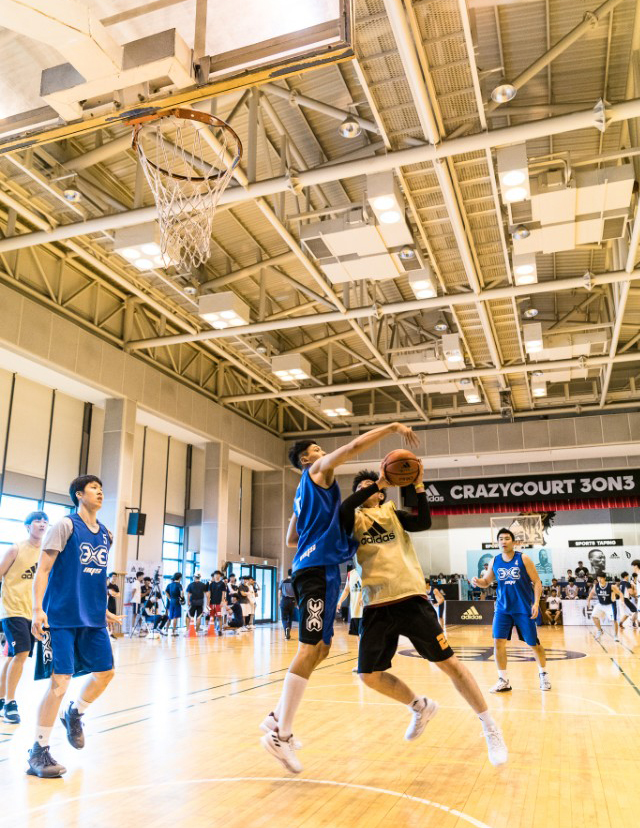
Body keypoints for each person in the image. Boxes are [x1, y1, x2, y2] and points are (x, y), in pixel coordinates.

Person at [260, 421, 419, 773]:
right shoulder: (317, 471)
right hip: (316, 570)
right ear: (306, 459)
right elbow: (351, 448)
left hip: (326, 569)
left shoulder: (306, 493)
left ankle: (276, 717)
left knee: (322, 648)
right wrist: (391, 428)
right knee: (308, 648)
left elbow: (291, 538)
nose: (323, 453)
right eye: (316, 450)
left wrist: (315, 526)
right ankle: (281, 735)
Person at [339, 466, 507, 766]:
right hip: (376, 604)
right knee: (368, 675)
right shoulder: (352, 518)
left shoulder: (393, 513)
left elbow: (424, 521)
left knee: (450, 665)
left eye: (372, 486)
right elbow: (344, 508)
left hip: (411, 599)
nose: (368, 489)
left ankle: (490, 726)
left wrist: (418, 486)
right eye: (362, 487)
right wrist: (376, 482)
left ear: (382, 494)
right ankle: (419, 706)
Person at [29, 475, 121, 778]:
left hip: (92, 619)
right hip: (62, 618)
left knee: (106, 672)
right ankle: (39, 750)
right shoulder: (65, 526)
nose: (100, 492)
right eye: (94, 488)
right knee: (60, 681)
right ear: (79, 494)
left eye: (101, 488)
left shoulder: (106, 534)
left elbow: (94, 576)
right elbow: (43, 570)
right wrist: (37, 610)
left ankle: (75, 712)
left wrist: (103, 609)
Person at [472, 528, 551, 693]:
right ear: (497, 542)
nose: (503, 541)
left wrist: (536, 603)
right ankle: (503, 680)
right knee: (498, 642)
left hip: (523, 608)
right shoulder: (495, 560)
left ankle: (543, 674)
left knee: (533, 643)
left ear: (514, 542)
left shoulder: (523, 558)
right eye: (501, 538)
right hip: (502, 609)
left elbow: (537, 582)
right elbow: (486, 582)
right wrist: (477, 582)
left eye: (507, 538)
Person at [0, 510, 48, 724]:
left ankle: (1, 699)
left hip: (33, 613)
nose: (42, 524)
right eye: (38, 521)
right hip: (12, 610)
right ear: (28, 526)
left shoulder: (47, 553)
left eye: (45, 521)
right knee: (21, 653)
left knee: (14, 657)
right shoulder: (15, 549)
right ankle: (10, 704)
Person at [338, 565, 363, 672]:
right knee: (358, 638)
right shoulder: (350, 574)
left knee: (363, 638)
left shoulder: (368, 571)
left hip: (366, 611)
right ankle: (362, 662)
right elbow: (346, 590)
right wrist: (339, 601)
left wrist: (365, 596)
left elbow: (374, 588)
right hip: (355, 611)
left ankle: (364, 663)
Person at [587, 573, 622, 642]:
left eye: (601, 578)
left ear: (604, 578)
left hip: (610, 605)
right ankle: (600, 630)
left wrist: (622, 601)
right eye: (598, 578)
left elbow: (620, 593)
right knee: (594, 616)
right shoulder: (596, 586)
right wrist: (588, 601)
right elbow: (591, 593)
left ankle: (615, 636)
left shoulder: (611, 586)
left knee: (614, 620)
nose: (599, 580)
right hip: (601, 604)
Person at [208, 571, 227, 636]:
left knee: (219, 617)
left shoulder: (222, 583)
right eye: (215, 575)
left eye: (218, 575)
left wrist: (222, 601)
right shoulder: (211, 584)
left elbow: (223, 593)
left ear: (220, 576)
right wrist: (208, 603)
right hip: (212, 603)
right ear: (214, 576)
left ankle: (220, 630)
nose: (217, 576)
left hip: (219, 603)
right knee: (212, 617)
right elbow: (209, 594)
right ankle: (212, 629)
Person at [279, 569, 296, 640]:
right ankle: (288, 630)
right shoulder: (294, 582)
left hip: (284, 600)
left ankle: (286, 628)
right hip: (292, 601)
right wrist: (296, 602)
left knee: (284, 618)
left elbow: (279, 592)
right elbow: (297, 593)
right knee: (290, 617)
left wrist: (279, 601)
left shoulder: (283, 581)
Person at [106, 573, 120, 640]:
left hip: (113, 604)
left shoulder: (116, 586)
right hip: (107, 604)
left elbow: (118, 595)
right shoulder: (107, 585)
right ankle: (108, 633)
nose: (115, 578)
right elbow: (110, 592)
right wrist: (114, 593)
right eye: (113, 576)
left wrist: (114, 594)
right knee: (108, 619)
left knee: (113, 619)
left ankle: (111, 633)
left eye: (116, 577)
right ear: (110, 577)